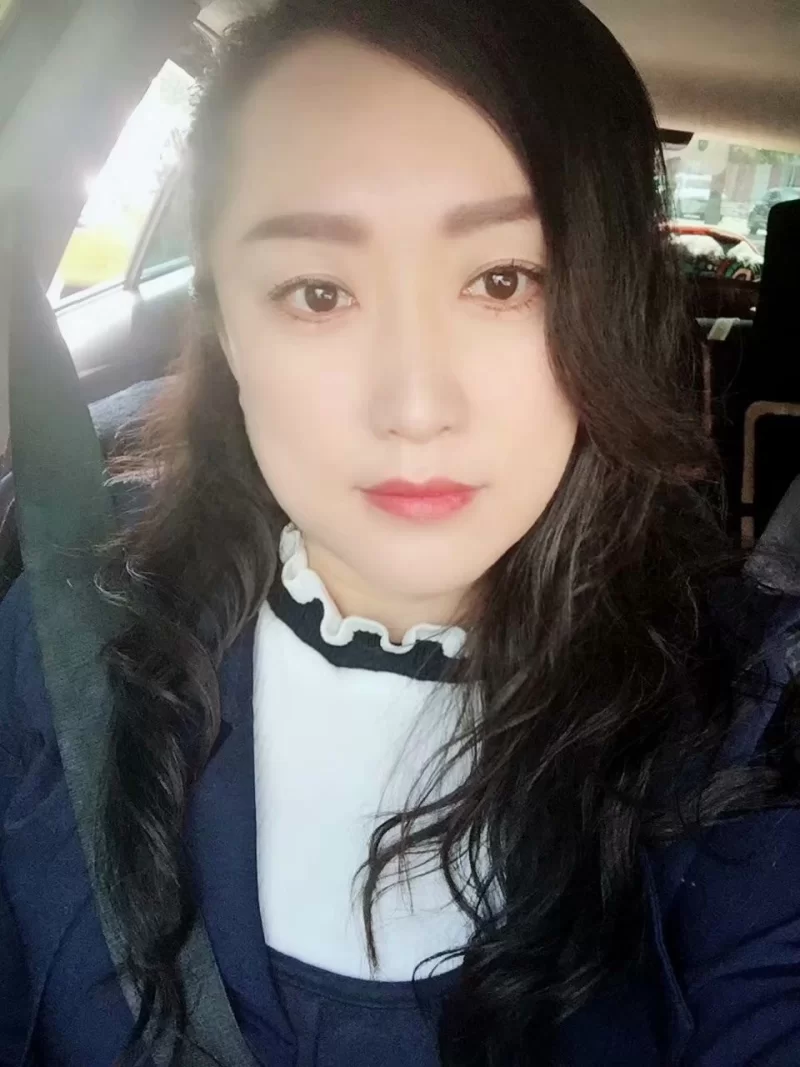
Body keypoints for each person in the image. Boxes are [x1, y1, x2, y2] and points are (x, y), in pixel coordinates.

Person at [2, 0, 800, 1064]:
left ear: (608, 304)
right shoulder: (65, 634)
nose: (416, 406)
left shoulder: (744, 724)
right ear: (226, 324)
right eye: (317, 292)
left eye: (503, 280)